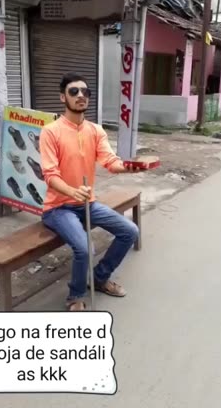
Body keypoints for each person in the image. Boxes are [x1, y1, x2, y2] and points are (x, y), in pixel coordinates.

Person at [40, 72, 146, 311]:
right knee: (85, 248)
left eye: (85, 92)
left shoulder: (96, 130)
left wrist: (129, 167)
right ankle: (75, 296)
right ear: (62, 97)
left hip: (87, 203)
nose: (81, 96)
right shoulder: (51, 131)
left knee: (130, 231)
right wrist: (72, 192)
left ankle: (98, 278)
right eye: (74, 91)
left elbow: (110, 161)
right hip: (58, 208)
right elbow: (50, 175)